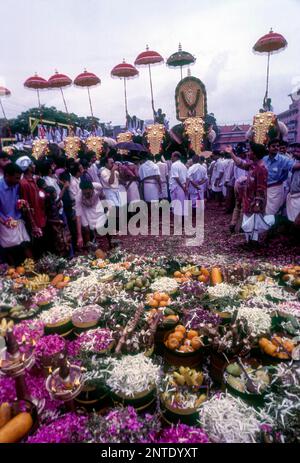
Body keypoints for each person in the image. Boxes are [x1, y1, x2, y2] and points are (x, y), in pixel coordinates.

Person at [229, 143, 268, 245]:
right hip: (248, 200)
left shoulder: (261, 169)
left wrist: (257, 204)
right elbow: (240, 164)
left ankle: (254, 243)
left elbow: (261, 189)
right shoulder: (252, 165)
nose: (248, 153)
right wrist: (231, 154)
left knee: (254, 223)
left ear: (254, 155)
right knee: (248, 222)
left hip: (254, 203)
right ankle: (249, 242)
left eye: (250, 151)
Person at [0, 163, 32, 264]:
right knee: (10, 249)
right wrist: (4, 222)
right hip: (5, 222)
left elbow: (20, 201)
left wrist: (24, 206)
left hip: (18, 220)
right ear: (7, 175)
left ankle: (32, 268)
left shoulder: (18, 185)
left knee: (25, 245)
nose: (18, 181)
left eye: (19, 178)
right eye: (16, 178)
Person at [17, 156, 47, 255]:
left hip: (40, 215)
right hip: (33, 218)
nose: (34, 166)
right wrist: (33, 224)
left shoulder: (33, 180)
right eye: (32, 164)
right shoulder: (24, 183)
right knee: (37, 244)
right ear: (28, 167)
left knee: (42, 242)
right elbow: (25, 205)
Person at [263, 139, 300, 215]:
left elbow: (294, 166)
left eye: (277, 146)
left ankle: (273, 226)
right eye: (273, 146)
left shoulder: (284, 159)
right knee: (263, 211)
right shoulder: (264, 159)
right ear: (268, 147)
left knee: (271, 214)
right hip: (263, 189)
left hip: (276, 189)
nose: (276, 148)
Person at [75, 180, 112, 250]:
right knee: (86, 229)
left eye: (88, 193)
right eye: (85, 193)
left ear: (92, 188)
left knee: (105, 225)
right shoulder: (78, 197)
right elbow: (78, 216)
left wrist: (106, 208)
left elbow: (102, 197)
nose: (87, 195)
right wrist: (79, 236)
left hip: (96, 205)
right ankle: (90, 249)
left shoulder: (98, 187)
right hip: (85, 209)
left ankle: (111, 243)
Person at [169, 151, 188, 217]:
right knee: (181, 203)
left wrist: (183, 187)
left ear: (175, 157)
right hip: (182, 186)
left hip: (177, 187)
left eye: (172, 156)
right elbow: (187, 178)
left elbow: (176, 178)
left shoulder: (174, 165)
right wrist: (185, 186)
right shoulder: (183, 165)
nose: (171, 158)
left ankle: (179, 221)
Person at [286, 143, 300, 224]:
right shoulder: (292, 162)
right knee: (292, 222)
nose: (296, 153)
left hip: (299, 197)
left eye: (299, 152)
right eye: (295, 151)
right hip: (292, 196)